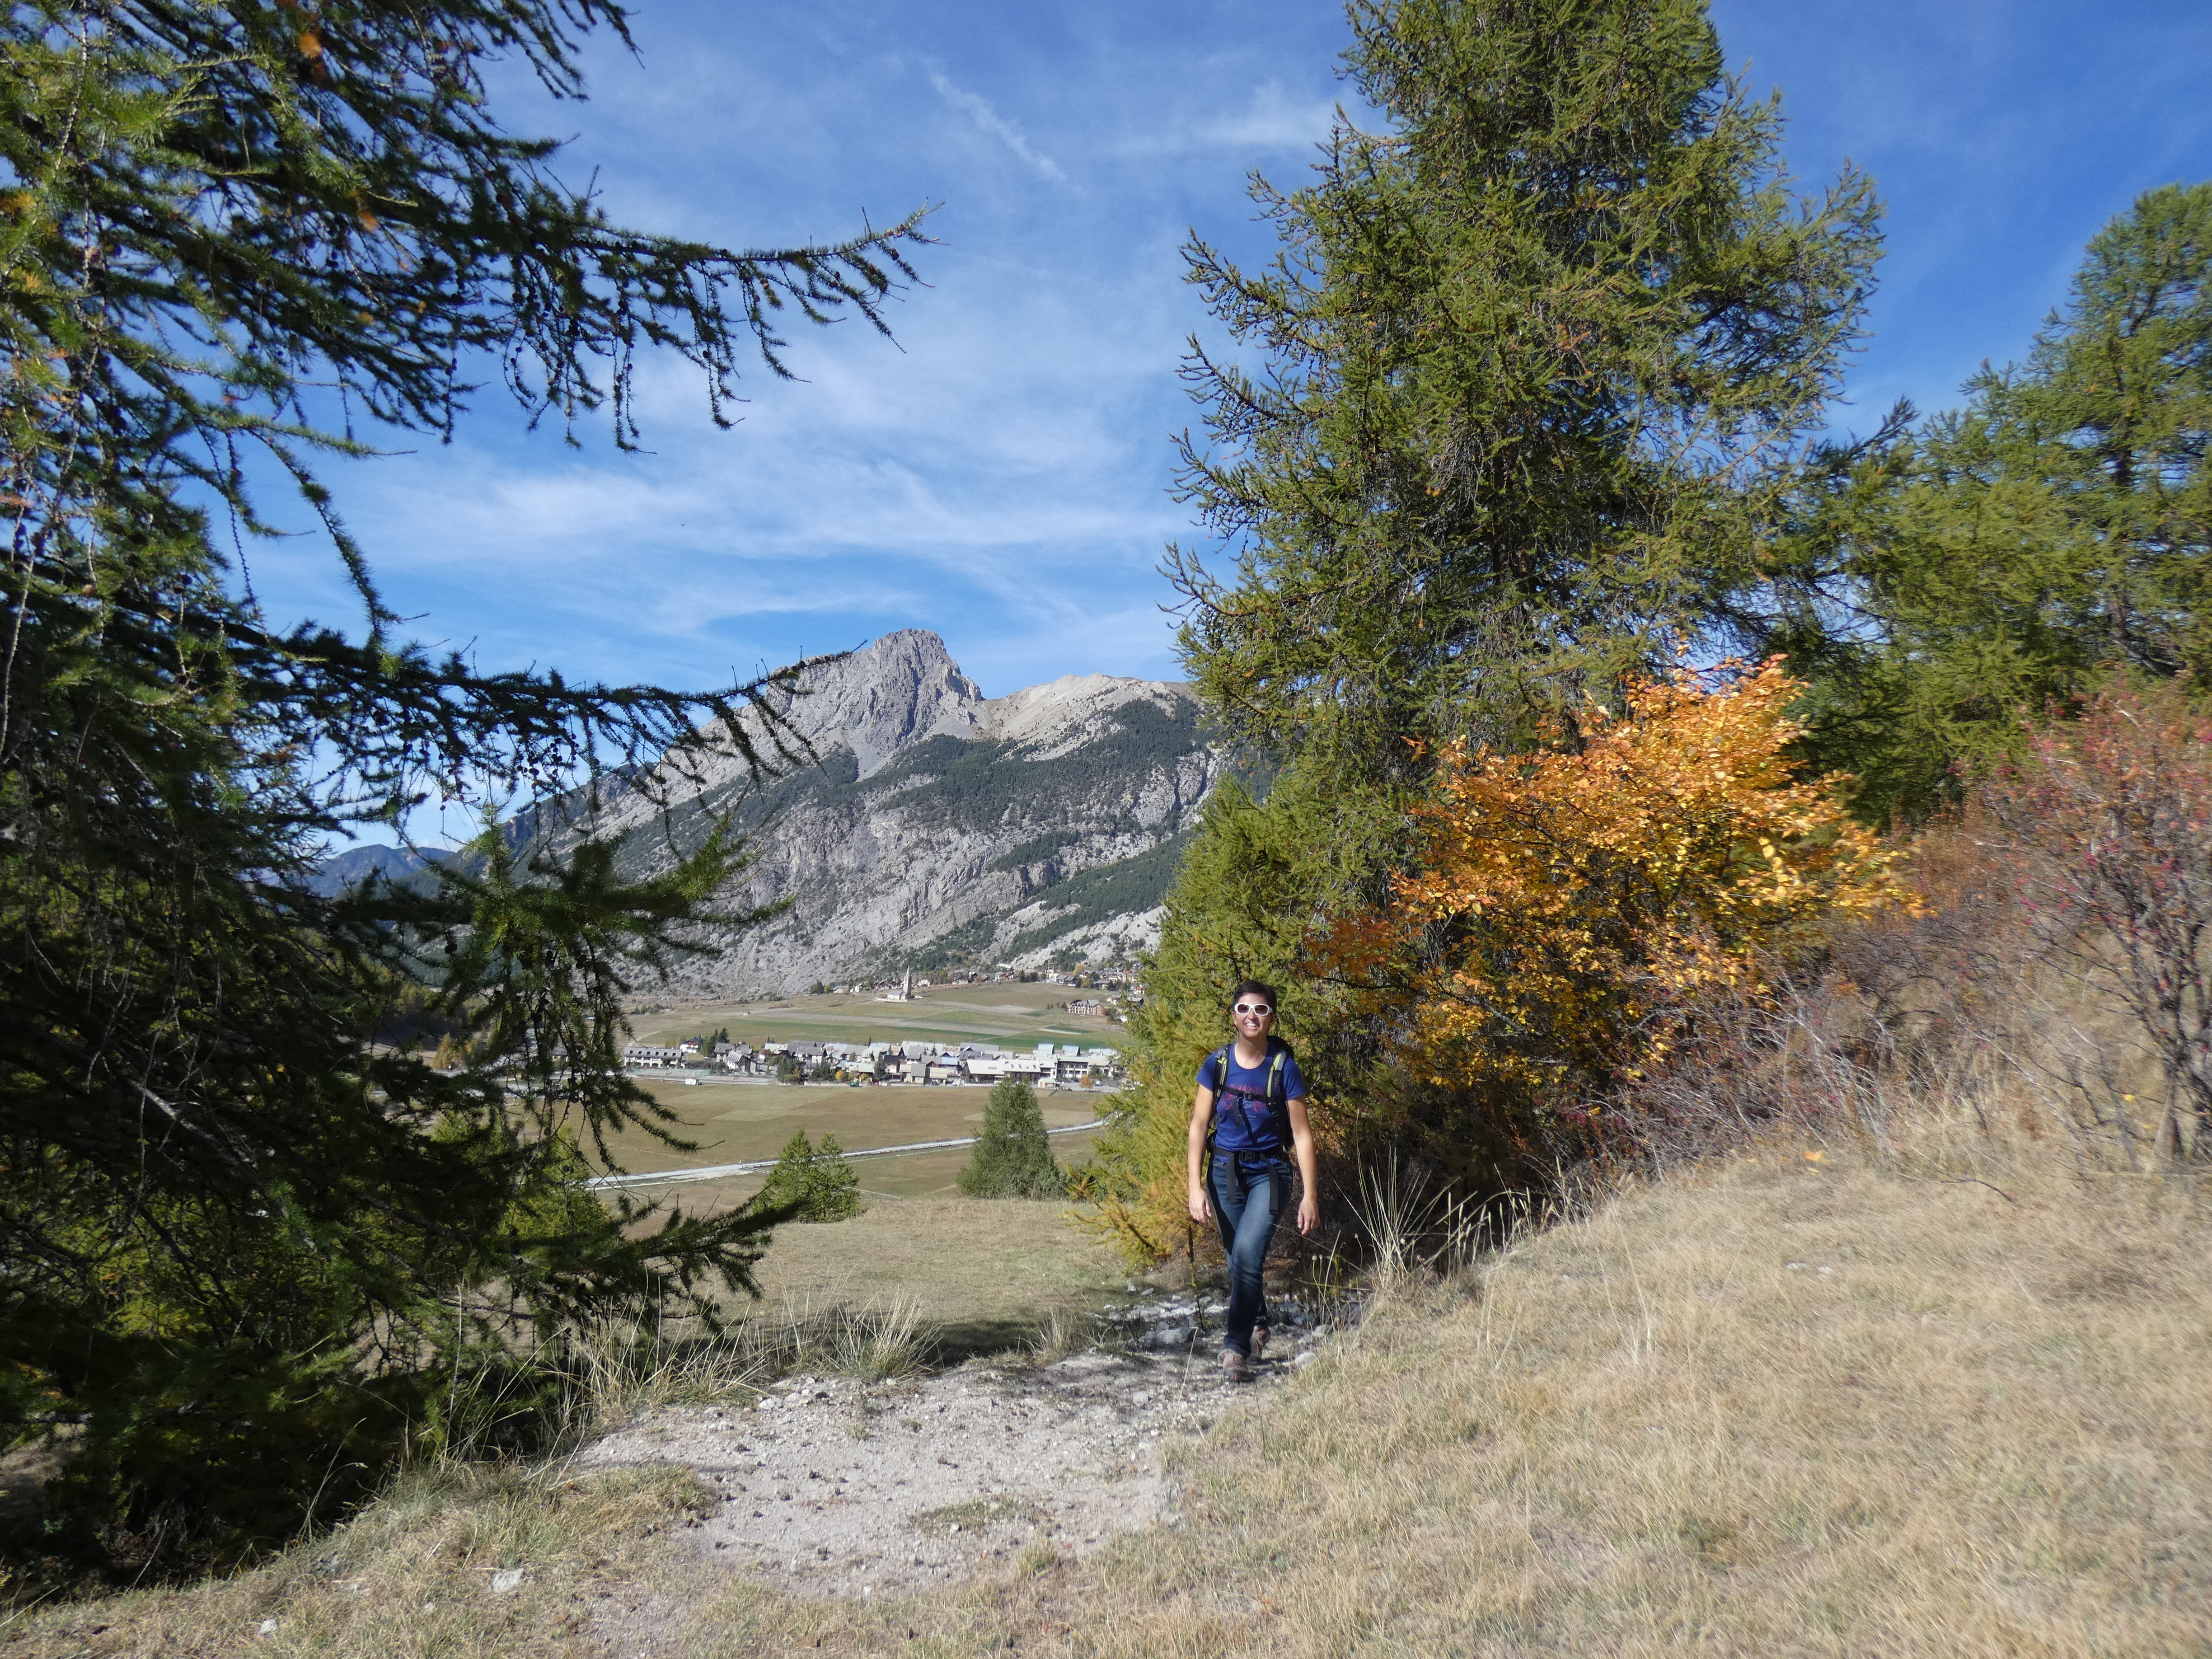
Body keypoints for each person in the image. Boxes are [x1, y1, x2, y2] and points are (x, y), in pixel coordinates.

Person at [1187, 979, 1319, 1382]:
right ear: (1233, 1016)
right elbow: (1198, 1126)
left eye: (1261, 1011)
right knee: (1236, 1258)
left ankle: (1236, 1347)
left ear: (1272, 1018)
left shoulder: (1284, 1069)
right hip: (1224, 1171)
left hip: (1270, 1173)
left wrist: (1310, 1195)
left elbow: (1302, 1135)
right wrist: (1193, 1186)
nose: (1252, 1017)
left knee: (1247, 1253)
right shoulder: (1217, 1065)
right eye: (1244, 1009)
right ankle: (1259, 1323)